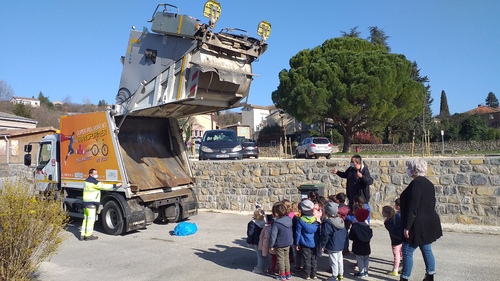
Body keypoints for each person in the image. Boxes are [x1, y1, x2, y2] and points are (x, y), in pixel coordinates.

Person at [400, 159, 442, 281]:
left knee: (407, 251)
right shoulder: (429, 184)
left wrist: (407, 227)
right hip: (428, 221)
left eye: (409, 168)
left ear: (414, 170)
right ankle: (430, 274)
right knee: (426, 248)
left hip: (417, 223)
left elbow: (413, 207)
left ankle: (405, 277)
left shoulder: (416, 184)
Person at [81, 168, 122, 241]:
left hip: (86, 203)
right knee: (91, 220)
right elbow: (104, 186)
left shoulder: (86, 182)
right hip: (91, 204)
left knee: (86, 219)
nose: (96, 175)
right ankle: (88, 235)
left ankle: (83, 234)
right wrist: (115, 185)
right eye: (95, 174)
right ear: (91, 174)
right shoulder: (94, 183)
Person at [321, 202, 347, 281]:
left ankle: (334, 276)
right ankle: (341, 274)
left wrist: (323, 245)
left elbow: (325, 235)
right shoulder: (341, 220)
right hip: (340, 244)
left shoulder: (328, 223)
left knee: (333, 261)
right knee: (340, 259)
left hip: (332, 245)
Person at [295, 200, 320, 280]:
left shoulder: (300, 220)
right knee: (314, 258)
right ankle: (314, 274)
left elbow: (298, 232)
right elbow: (318, 233)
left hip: (305, 243)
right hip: (314, 242)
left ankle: (307, 274)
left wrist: (297, 243)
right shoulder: (315, 220)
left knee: (306, 259)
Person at [269, 203, 293, 281]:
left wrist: (271, 245)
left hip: (280, 243)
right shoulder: (289, 219)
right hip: (288, 242)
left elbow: (273, 235)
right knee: (286, 259)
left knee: (280, 259)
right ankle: (288, 274)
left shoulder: (276, 223)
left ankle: (282, 275)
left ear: (276, 214)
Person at [349, 208, 372, 278]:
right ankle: (366, 271)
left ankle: (361, 272)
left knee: (360, 260)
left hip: (357, 246)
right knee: (366, 259)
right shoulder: (367, 226)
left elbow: (350, 236)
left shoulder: (355, 227)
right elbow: (370, 235)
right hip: (366, 246)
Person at [382, 205, 402, 276]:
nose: (382, 213)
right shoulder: (397, 216)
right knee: (402, 254)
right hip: (402, 238)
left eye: (383, 212)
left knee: (396, 255)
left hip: (395, 240)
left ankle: (395, 270)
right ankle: (404, 268)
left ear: (386, 213)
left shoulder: (387, 222)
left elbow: (392, 231)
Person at [247, 207, 266, 274]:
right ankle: (264, 267)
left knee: (259, 255)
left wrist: (249, 242)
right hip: (264, 240)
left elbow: (250, 234)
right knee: (264, 254)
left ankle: (259, 267)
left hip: (256, 241)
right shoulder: (265, 222)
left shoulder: (252, 223)